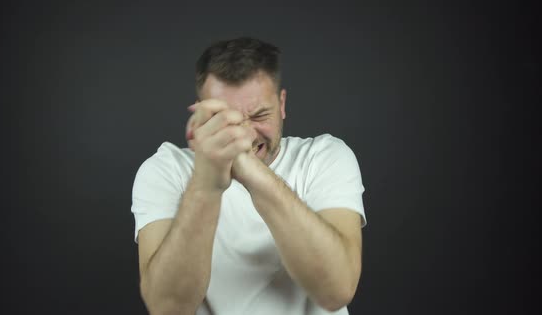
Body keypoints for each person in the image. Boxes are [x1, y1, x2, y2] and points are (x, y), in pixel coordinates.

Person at [131, 37, 367, 315]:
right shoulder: (165, 170)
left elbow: (336, 291)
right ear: (200, 114)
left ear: (281, 104)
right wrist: (206, 184)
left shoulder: (326, 157)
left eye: (259, 115)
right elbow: (168, 307)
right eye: (225, 118)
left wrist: (249, 170)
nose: (245, 135)